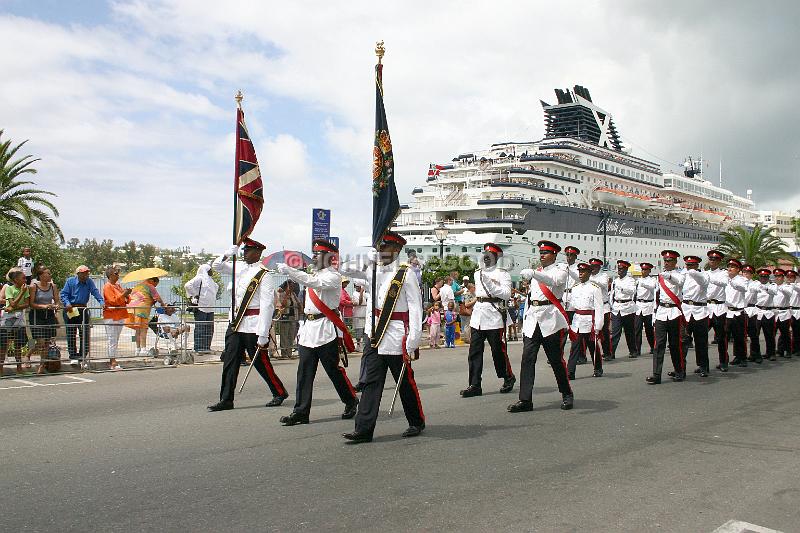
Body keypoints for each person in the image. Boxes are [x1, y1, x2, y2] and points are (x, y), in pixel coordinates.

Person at [342, 231, 425, 443]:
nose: (380, 251)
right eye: (379, 248)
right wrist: (366, 259)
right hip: (375, 333)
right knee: (371, 382)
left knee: (404, 381)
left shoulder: (406, 274)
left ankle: (416, 421)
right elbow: (344, 268)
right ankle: (363, 429)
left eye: (384, 248)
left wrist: (414, 338)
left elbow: (416, 307)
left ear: (396, 251)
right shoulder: (373, 270)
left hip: (397, 334)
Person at [276, 239, 358, 426]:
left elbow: (314, 282)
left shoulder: (333, 276)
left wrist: (290, 270)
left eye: (318, 254)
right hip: (308, 329)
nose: (314, 257)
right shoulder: (315, 274)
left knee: (332, 370)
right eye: (314, 253)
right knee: (304, 372)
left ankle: (351, 400)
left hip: (325, 328)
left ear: (329, 257)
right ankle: (301, 411)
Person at [207, 238, 288, 412]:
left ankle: (279, 392)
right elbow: (216, 266)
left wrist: (263, 333)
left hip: (253, 324)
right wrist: (230, 252)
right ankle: (226, 399)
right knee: (230, 361)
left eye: (248, 250)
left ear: (258, 253)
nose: (244, 253)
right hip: (236, 323)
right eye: (243, 250)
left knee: (261, 362)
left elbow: (267, 304)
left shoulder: (264, 274)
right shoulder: (239, 268)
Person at [509, 240, 573, 413]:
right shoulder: (537, 272)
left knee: (556, 360)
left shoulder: (561, 270)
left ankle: (566, 393)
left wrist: (534, 275)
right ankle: (525, 400)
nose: (542, 255)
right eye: (541, 253)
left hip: (550, 319)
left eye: (546, 253)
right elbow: (531, 297)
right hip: (533, 320)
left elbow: (553, 281)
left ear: (554, 254)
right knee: (527, 359)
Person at [461, 242, 515, 397]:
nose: (486, 258)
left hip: (494, 314)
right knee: (474, 352)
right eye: (485, 255)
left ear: (496, 257)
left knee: (498, 351)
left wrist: (490, 283)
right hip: (478, 314)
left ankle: (508, 376)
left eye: (490, 255)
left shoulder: (503, 274)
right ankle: (474, 384)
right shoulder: (477, 273)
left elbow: (506, 294)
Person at [647, 250, 686, 384]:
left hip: (674, 312)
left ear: (675, 262)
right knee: (659, 345)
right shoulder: (660, 277)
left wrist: (668, 276)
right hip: (662, 312)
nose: (667, 263)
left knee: (675, 345)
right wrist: (654, 315)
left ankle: (679, 370)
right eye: (665, 261)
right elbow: (656, 297)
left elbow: (679, 282)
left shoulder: (679, 275)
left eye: (669, 261)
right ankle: (656, 374)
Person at [60, 265, 104, 366]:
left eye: (87, 273)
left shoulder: (89, 281)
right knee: (71, 333)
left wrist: (101, 302)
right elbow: (64, 294)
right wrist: (67, 303)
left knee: (85, 333)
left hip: (83, 309)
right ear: (78, 274)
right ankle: (73, 356)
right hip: (72, 309)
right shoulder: (70, 281)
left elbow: (95, 291)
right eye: (84, 273)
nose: (86, 275)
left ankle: (82, 355)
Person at [567, 262, 605, 379]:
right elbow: (573, 306)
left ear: (589, 273)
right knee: (575, 347)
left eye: (583, 272)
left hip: (589, 321)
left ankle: (598, 368)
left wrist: (598, 326)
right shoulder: (575, 288)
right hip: (578, 321)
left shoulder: (595, 289)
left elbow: (599, 308)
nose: (581, 274)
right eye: (580, 272)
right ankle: (570, 371)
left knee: (593, 347)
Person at [681, 256, 711, 376]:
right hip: (686, 310)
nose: (689, 268)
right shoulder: (684, 275)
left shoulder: (703, 275)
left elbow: (702, 282)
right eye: (688, 265)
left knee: (701, 342)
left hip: (699, 311)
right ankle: (680, 367)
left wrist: (692, 272)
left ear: (697, 266)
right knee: (683, 341)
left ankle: (703, 366)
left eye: (692, 265)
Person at [28, 266, 60, 374]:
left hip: (49, 315)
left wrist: (56, 307)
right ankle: (28, 355)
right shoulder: (34, 286)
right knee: (39, 341)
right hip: (37, 315)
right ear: (41, 275)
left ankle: (42, 365)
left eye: (50, 273)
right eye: (48, 273)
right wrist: (44, 306)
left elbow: (57, 301)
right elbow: (31, 303)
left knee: (46, 342)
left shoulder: (53, 286)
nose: (50, 275)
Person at [1, 269, 30, 376]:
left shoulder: (25, 289)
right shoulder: (9, 288)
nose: (25, 280)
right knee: (4, 344)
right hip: (8, 319)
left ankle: (19, 368)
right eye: (23, 278)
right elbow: (11, 303)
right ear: (15, 280)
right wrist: (21, 293)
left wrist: (15, 307)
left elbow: (26, 304)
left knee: (18, 344)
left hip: (19, 318)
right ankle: (1, 368)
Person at [184, 264, 219, 353]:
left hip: (210, 308)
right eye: (210, 270)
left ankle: (206, 347)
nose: (211, 272)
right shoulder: (199, 278)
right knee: (200, 328)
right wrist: (195, 294)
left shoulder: (210, 280)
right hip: (201, 307)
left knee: (209, 328)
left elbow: (216, 288)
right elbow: (188, 285)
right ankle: (198, 348)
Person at [126, 276, 164, 356]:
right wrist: (163, 305)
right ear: (153, 281)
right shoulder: (150, 286)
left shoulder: (138, 285)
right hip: (142, 310)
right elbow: (157, 298)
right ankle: (143, 349)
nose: (155, 286)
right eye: (156, 284)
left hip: (132, 309)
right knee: (143, 329)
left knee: (137, 330)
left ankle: (137, 349)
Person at [101, 266, 130, 370]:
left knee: (116, 338)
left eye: (118, 274)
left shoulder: (118, 286)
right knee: (112, 338)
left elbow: (127, 300)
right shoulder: (107, 286)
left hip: (120, 314)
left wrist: (126, 294)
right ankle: (112, 360)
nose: (118, 275)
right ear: (110, 276)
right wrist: (123, 295)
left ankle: (113, 358)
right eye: (116, 274)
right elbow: (113, 301)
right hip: (111, 315)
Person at [609, 260, 638, 358]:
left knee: (629, 332)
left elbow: (632, 291)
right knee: (615, 331)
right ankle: (611, 352)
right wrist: (611, 306)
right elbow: (612, 294)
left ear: (626, 269)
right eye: (618, 268)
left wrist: (622, 288)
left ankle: (633, 350)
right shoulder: (615, 280)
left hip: (627, 307)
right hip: (617, 307)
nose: (619, 270)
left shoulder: (630, 280)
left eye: (621, 269)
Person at [724, 259, 749, 367]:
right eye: (729, 266)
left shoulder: (742, 280)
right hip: (727, 311)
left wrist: (733, 282)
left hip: (738, 312)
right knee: (724, 337)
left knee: (739, 336)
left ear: (738, 269)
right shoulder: (724, 279)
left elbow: (743, 288)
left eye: (733, 267)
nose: (730, 269)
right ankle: (725, 359)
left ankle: (742, 357)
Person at [705, 250, 728, 365]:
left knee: (721, 338)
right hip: (707, 307)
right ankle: (704, 364)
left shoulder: (723, 273)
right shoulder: (705, 273)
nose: (712, 261)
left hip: (719, 308)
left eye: (715, 259)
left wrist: (709, 279)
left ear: (719, 261)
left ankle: (723, 362)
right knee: (702, 337)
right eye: (711, 259)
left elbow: (724, 283)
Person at [588, 258, 611, 360]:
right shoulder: (588, 277)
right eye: (591, 267)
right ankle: (596, 352)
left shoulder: (603, 276)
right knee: (593, 331)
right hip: (593, 307)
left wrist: (589, 279)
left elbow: (602, 284)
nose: (592, 269)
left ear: (598, 267)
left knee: (604, 330)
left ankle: (607, 352)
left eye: (594, 267)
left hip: (604, 307)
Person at [633, 262, 656, 357]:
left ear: (649, 271)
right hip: (639, 306)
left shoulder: (652, 280)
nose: (643, 271)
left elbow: (653, 288)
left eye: (645, 270)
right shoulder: (638, 280)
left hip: (648, 305)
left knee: (649, 329)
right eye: (642, 269)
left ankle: (653, 346)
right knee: (637, 329)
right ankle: (637, 349)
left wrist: (643, 284)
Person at [755, 268, 778, 361]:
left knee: (769, 335)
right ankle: (756, 354)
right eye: (761, 276)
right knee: (755, 334)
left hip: (768, 312)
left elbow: (774, 292)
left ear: (768, 277)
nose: (763, 278)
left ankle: (771, 353)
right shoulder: (756, 285)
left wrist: (765, 287)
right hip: (758, 311)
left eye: (765, 277)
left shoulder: (772, 285)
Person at [741, 265, 762, 363]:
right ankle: (741, 356)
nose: (746, 274)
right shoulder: (739, 282)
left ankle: (756, 354)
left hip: (751, 309)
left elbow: (757, 289)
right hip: (741, 309)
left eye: (748, 272)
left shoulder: (755, 283)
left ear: (752, 274)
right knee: (741, 335)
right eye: (744, 272)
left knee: (753, 334)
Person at [275, 280, 301, 358]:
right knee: (284, 335)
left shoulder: (293, 294)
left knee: (291, 335)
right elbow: (282, 304)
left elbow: (298, 303)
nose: (292, 287)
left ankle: (289, 352)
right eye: (291, 286)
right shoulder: (282, 294)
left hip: (293, 317)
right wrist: (286, 295)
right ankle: (284, 353)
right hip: (285, 316)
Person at [773, 269, 793, 358]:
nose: (777, 278)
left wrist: (780, 287)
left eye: (779, 276)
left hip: (784, 312)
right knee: (771, 334)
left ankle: (788, 350)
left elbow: (789, 293)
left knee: (785, 333)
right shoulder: (772, 286)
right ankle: (776, 351)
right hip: (774, 312)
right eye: (776, 276)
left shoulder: (787, 286)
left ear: (783, 277)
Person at [786, 270, 800, 357]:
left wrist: (792, 285)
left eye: (791, 277)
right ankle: (784, 348)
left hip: (796, 311)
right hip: (787, 310)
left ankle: (797, 349)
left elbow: (798, 289)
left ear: (795, 278)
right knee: (785, 331)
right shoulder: (784, 286)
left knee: (797, 332)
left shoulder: (797, 286)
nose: (789, 279)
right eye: (788, 277)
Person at [351, 281, 367, 352]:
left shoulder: (364, 293)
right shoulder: (354, 294)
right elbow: (359, 303)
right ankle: (358, 345)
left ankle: (363, 345)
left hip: (364, 314)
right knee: (358, 330)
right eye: (357, 286)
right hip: (358, 314)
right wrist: (361, 293)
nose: (359, 287)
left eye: (360, 286)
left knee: (364, 330)